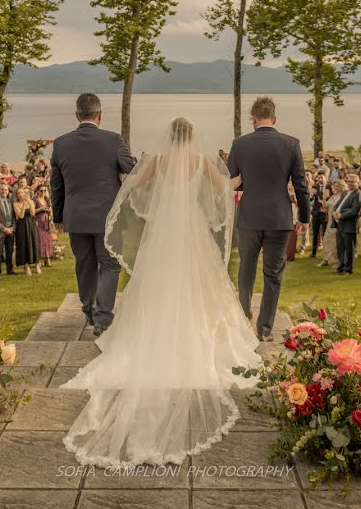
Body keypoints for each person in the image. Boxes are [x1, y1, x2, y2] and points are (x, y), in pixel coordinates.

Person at [60, 116, 262, 468]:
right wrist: (246, 176)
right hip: (193, 232)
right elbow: (227, 187)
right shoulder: (201, 161)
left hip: (162, 235)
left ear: (169, 136)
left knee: (156, 283)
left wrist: (126, 187)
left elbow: (133, 184)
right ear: (193, 136)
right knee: (201, 284)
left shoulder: (157, 160)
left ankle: (155, 329)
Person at [51, 93, 137, 334]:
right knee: (109, 265)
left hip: (75, 217)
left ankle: (89, 309)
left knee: (84, 264)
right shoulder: (113, 140)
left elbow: (56, 185)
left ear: (77, 115)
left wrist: (57, 216)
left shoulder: (61, 143)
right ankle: (102, 316)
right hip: (107, 216)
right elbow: (132, 169)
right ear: (100, 115)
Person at [227, 96, 309, 340]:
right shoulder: (291, 144)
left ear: (253, 119)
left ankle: (243, 320)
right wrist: (304, 217)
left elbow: (232, 180)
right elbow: (301, 185)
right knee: (273, 274)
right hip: (279, 217)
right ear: (274, 118)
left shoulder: (240, 144)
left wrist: (249, 183)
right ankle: (264, 329)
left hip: (250, 216)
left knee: (246, 270)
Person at [332, 173, 361, 276]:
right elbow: (336, 205)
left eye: (352, 182)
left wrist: (341, 215)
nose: (350, 183)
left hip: (349, 225)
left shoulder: (358, 194)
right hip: (340, 224)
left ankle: (348, 269)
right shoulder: (345, 193)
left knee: (349, 249)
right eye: (348, 181)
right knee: (340, 247)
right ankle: (341, 266)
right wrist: (334, 212)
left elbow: (354, 210)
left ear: (358, 182)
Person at [13, 185, 40, 275]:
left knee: (33, 242)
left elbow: (32, 213)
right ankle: (26, 266)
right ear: (17, 195)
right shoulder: (15, 204)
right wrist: (24, 204)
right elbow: (21, 216)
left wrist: (28, 201)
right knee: (24, 244)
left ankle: (37, 265)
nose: (20, 194)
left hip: (31, 224)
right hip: (21, 225)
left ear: (25, 193)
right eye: (19, 193)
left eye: (22, 193)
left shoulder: (31, 201)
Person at [0, 182, 17, 277]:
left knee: (9, 251)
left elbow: (14, 217)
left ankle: (10, 269)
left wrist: (12, 228)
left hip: (10, 230)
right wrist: (3, 229)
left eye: (6, 190)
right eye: (2, 189)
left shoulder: (11, 201)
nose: (4, 191)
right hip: (0, 231)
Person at [319, 180, 343, 268]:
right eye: (333, 187)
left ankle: (334, 261)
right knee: (326, 240)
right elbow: (325, 207)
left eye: (337, 186)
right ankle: (326, 259)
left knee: (334, 242)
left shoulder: (342, 197)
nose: (334, 188)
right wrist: (324, 199)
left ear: (341, 187)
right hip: (329, 221)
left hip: (336, 222)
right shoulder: (333, 196)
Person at [34, 184, 54, 268]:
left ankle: (47, 258)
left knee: (47, 240)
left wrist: (50, 214)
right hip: (39, 221)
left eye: (45, 191)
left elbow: (50, 210)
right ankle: (38, 260)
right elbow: (33, 211)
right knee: (40, 240)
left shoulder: (47, 199)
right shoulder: (35, 200)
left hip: (46, 221)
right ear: (37, 191)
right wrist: (42, 209)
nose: (43, 192)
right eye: (41, 191)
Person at [310, 172, 328, 259]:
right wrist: (311, 194)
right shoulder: (314, 186)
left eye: (321, 177)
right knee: (315, 232)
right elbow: (310, 199)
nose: (320, 179)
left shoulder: (328, 187)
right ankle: (313, 252)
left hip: (324, 212)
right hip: (316, 212)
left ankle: (326, 253)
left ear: (325, 177)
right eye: (318, 178)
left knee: (325, 232)